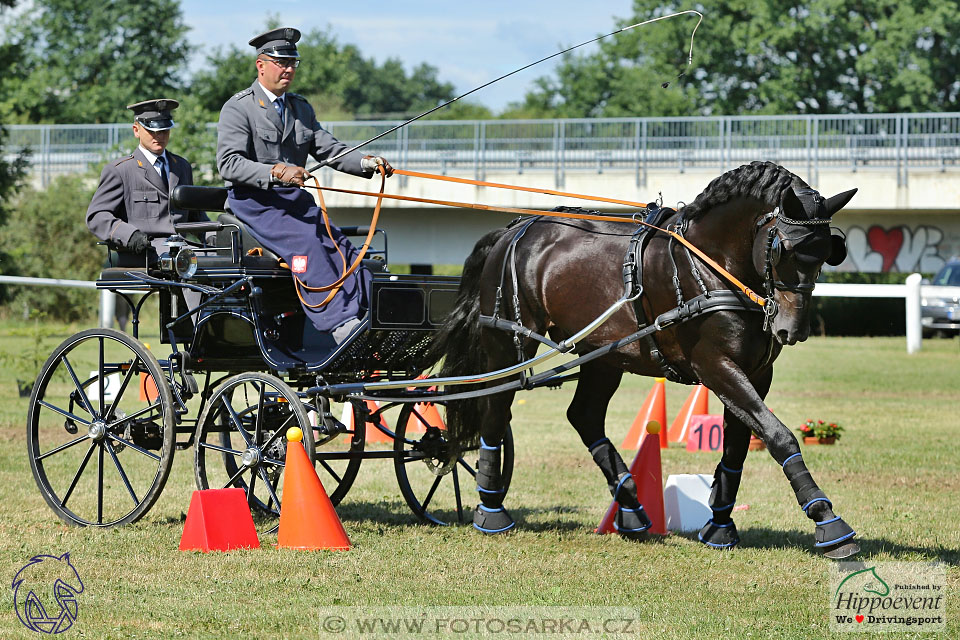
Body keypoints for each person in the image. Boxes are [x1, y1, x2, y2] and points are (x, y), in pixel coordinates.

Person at [216, 27, 393, 345]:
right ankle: (340, 326)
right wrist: (277, 171)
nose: (288, 69)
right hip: (253, 202)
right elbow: (228, 163)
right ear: (261, 65)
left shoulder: (301, 109)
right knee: (308, 245)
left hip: (293, 202)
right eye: (281, 62)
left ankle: (368, 317)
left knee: (343, 247)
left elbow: (331, 150)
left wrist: (366, 163)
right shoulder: (238, 108)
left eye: (292, 63)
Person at [86, 99, 211, 329]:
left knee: (224, 263)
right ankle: (202, 334)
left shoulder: (180, 166)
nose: (159, 136)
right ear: (136, 130)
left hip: (178, 248)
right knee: (190, 262)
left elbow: (196, 217)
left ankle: (226, 334)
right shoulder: (121, 170)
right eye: (152, 130)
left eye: (164, 130)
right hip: (144, 250)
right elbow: (97, 215)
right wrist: (129, 235)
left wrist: (216, 239)